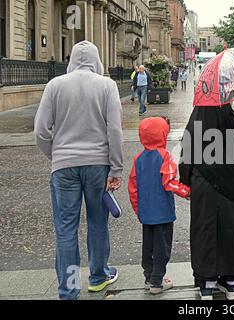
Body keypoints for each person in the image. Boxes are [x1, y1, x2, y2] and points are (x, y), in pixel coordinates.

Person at [34, 40, 123, 300]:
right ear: (97, 60)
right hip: (98, 165)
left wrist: (56, 155)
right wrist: (116, 168)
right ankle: (97, 276)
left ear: (71, 59)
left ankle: (69, 289)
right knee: (97, 223)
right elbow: (114, 130)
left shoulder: (55, 85)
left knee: (66, 228)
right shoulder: (107, 85)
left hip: (64, 167)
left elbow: (40, 130)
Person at [179, 104, 234, 300]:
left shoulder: (196, 122)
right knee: (233, 232)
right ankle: (232, 284)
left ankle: (207, 285)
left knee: (205, 232)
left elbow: (186, 157)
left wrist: (188, 182)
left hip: (204, 185)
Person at [128, 117, 191, 295]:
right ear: (163, 134)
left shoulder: (138, 158)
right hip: (163, 212)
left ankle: (148, 277)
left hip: (146, 212)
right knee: (162, 247)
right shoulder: (165, 156)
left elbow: (133, 187)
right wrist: (187, 192)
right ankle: (157, 281)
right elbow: (169, 182)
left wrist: (138, 209)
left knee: (147, 246)